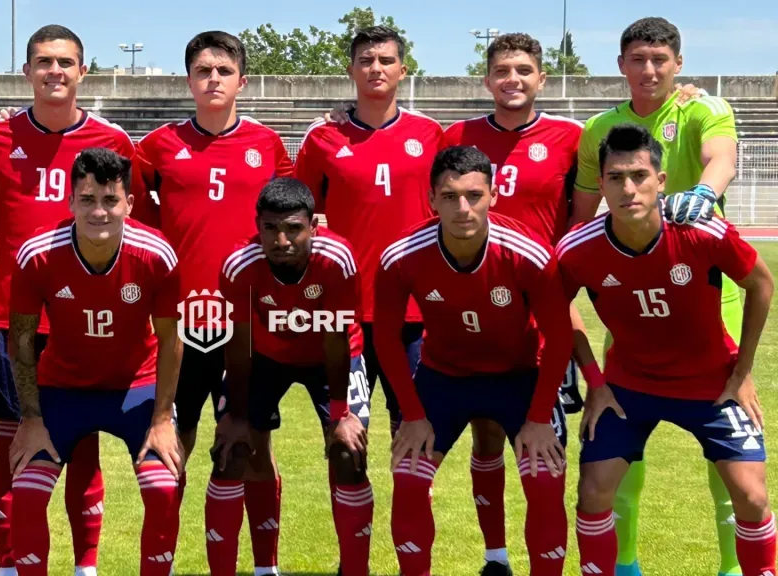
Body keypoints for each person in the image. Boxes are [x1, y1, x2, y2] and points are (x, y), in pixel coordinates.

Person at [559, 123, 775, 576]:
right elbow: (553, 310)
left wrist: (742, 370)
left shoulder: (700, 231)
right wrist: (595, 382)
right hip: (628, 388)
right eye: (615, 178)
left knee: (753, 496)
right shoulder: (578, 249)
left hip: (712, 384)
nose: (628, 188)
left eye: (639, 176)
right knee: (593, 490)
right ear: (600, 186)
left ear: (660, 182)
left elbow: (761, 285)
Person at [572, 18, 743, 576]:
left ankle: (733, 566)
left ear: (678, 63)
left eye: (659, 59)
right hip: (635, 296)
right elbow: (581, 210)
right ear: (621, 65)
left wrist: (702, 193)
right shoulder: (599, 127)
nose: (649, 70)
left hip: (710, 296)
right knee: (622, 427)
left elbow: (722, 157)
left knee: (731, 447)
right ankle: (625, 563)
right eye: (638, 59)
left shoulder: (702, 109)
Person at [0, 25, 137, 575]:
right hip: (12, 318)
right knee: (11, 447)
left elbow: (133, 214)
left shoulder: (112, 141)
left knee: (83, 444)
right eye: (44, 62)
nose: (55, 71)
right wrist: (26, 247)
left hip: (85, 320)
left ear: (83, 71)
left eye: (65, 62)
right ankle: (9, 566)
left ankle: (85, 566)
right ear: (27, 72)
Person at [130, 31, 293, 574]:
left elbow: (292, 229)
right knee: (171, 446)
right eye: (203, 70)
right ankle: (165, 563)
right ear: (189, 80)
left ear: (242, 80)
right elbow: (136, 220)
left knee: (248, 447)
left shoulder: (268, 146)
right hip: (178, 324)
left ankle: (264, 565)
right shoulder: (156, 147)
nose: (213, 79)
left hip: (247, 326)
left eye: (224, 70)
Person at [374, 146, 572, 576]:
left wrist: (539, 418)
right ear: (431, 200)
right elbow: (386, 337)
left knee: (544, 480)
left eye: (474, 195)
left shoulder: (530, 253)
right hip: (444, 378)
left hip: (519, 378)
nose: (463, 208)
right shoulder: (401, 256)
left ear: (493, 195)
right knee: (408, 480)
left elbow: (559, 337)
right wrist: (411, 414)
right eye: (449, 197)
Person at [435, 33, 582, 575]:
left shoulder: (571, 137)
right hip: (475, 308)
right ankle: (495, 555)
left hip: (542, 311)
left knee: (544, 449)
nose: (512, 79)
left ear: (541, 78)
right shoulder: (458, 135)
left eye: (523, 69)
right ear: (486, 79)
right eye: (501, 70)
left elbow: (581, 220)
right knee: (486, 431)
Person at [7, 148, 184, 576]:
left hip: (134, 390)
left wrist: (162, 418)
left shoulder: (156, 254)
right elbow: (22, 339)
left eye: (110, 200)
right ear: (70, 202)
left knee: (163, 490)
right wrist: (31, 419)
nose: (99, 211)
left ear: (129, 204)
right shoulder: (38, 254)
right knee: (27, 495)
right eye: (87, 200)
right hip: (62, 390)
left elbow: (170, 339)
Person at [210, 177, 371, 575]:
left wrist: (339, 414)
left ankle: (354, 570)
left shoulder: (338, 259)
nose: (282, 240)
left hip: (330, 356)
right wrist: (238, 417)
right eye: (270, 228)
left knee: (349, 453)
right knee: (232, 453)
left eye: (294, 228)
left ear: (314, 226)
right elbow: (239, 344)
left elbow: (335, 339)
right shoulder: (239, 266)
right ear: (258, 225)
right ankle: (263, 567)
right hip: (264, 356)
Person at [295, 25, 443, 440]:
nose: (375, 68)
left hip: (414, 311)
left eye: (385, 60)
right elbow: (297, 218)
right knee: (345, 438)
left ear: (403, 70)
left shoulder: (431, 135)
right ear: (351, 70)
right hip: (346, 311)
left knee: (414, 435)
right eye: (366, 61)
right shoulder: (323, 137)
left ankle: (411, 506)